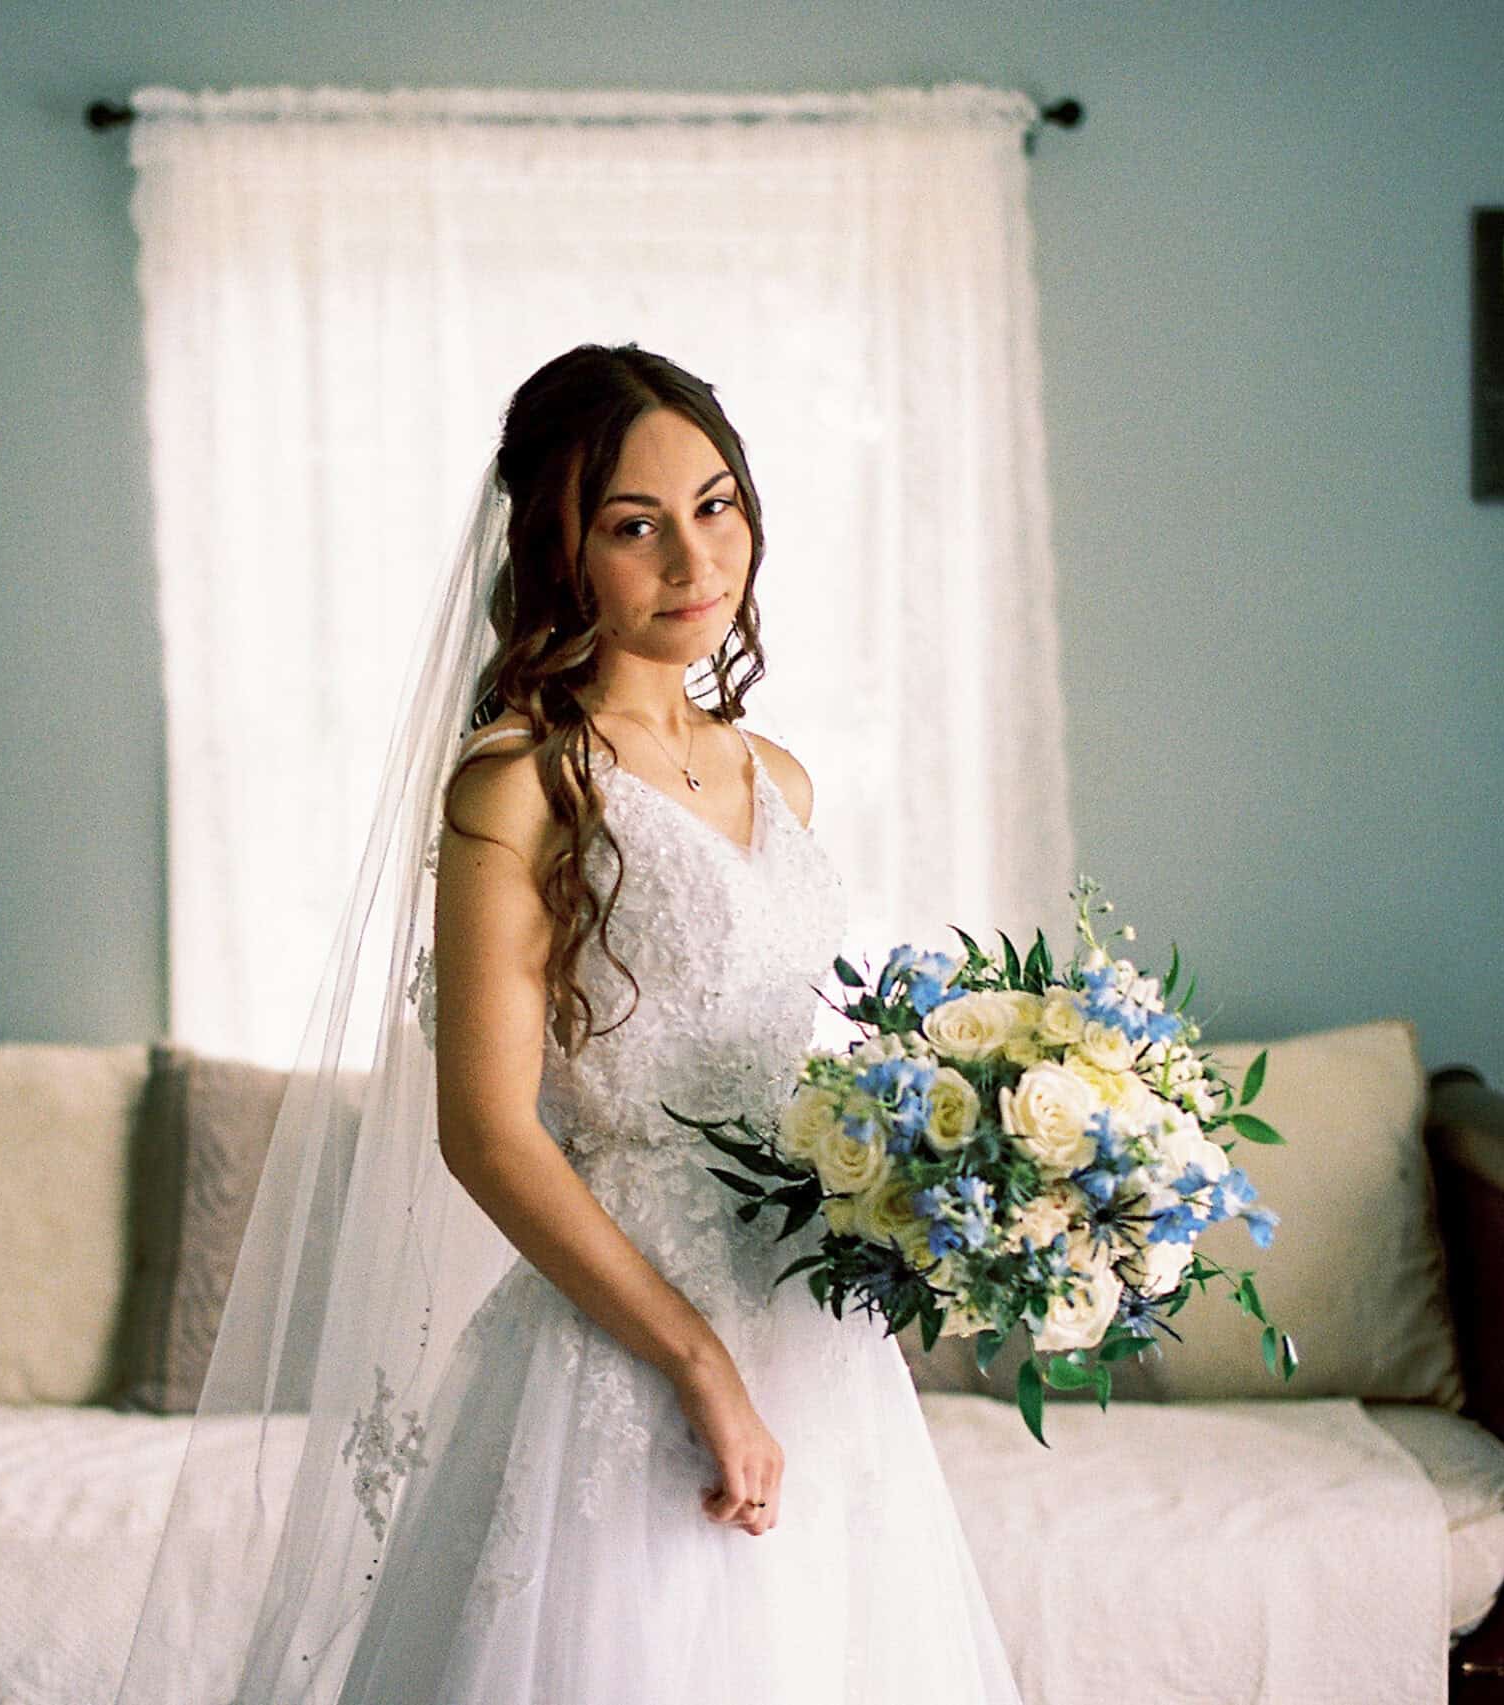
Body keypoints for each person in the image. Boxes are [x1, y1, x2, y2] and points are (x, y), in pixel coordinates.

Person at [109, 343, 1023, 1704]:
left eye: (716, 506)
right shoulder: (521, 786)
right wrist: (696, 1361)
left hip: (815, 1341)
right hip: (625, 1342)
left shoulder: (783, 778)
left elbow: (774, 1065)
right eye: (632, 526)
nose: (693, 559)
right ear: (559, 553)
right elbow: (486, 1134)